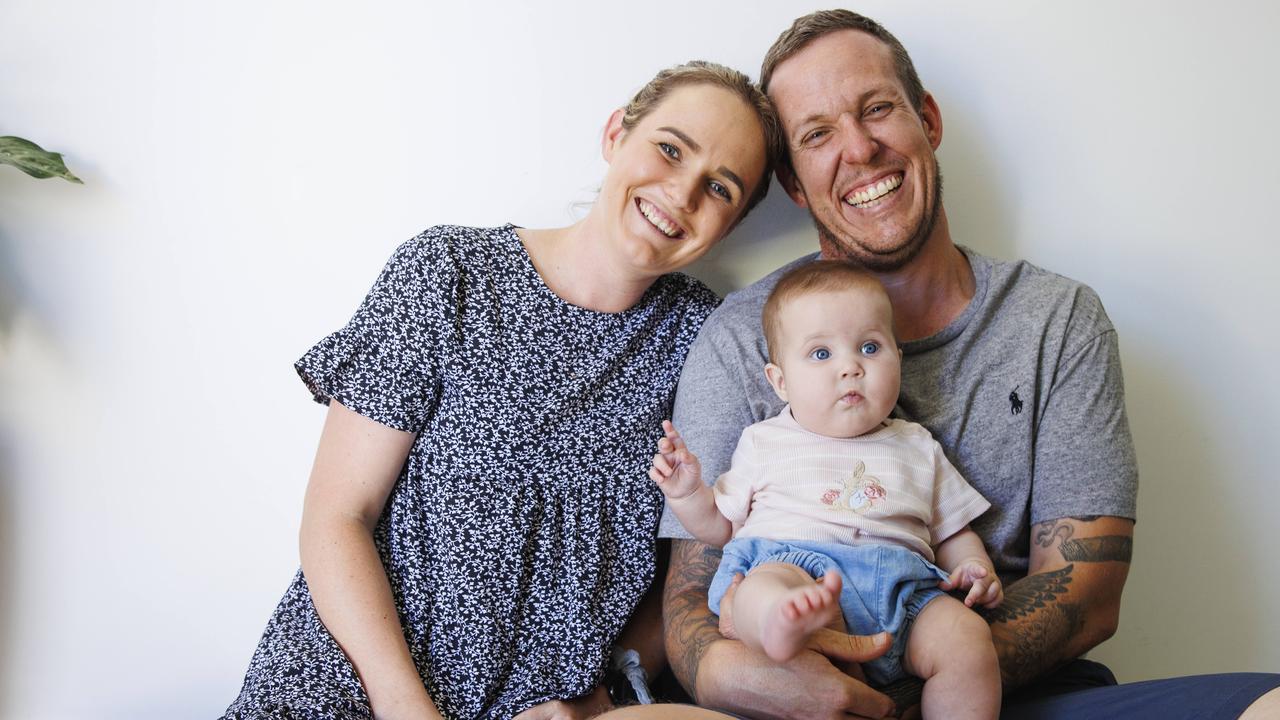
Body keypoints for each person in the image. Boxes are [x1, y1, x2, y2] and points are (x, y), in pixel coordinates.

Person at [658, 9, 1280, 720]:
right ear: (796, 186)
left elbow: (1089, 592)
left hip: (1002, 690)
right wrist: (751, 675)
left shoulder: (1053, 320)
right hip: (797, 695)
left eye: (878, 109)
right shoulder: (746, 336)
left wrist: (925, 672)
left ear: (927, 120)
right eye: (817, 134)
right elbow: (693, 598)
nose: (859, 149)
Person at [221, 59, 784, 720]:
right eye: (669, 149)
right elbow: (337, 517)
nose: (682, 192)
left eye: (719, 187)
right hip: (350, 686)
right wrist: (407, 708)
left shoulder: (704, 341)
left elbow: (702, 566)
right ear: (615, 134)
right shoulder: (449, 273)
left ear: (732, 222)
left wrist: (604, 696)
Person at [651, 261, 1003, 719]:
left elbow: (953, 529)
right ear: (780, 381)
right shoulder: (765, 440)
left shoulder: (918, 445)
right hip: (795, 565)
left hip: (901, 592)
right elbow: (720, 526)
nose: (850, 367)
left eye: (870, 347)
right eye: (821, 354)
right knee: (762, 589)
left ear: (898, 357)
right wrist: (686, 493)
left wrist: (974, 566)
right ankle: (780, 627)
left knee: (970, 642)